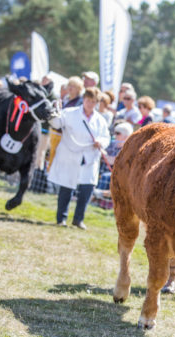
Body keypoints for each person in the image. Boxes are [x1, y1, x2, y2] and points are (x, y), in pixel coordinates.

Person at [48, 87, 110, 230]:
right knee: (66, 188)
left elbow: (106, 137)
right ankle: (61, 218)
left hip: (90, 157)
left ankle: (78, 219)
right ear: (84, 99)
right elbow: (56, 123)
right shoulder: (70, 113)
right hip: (70, 155)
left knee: (87, 189)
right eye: (88, 100)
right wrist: (54, 111)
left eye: (93, 102)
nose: (90, 104)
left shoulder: (100, 120)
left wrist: (100, 141)